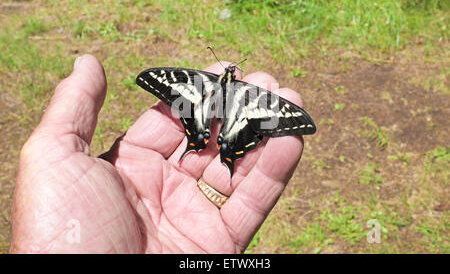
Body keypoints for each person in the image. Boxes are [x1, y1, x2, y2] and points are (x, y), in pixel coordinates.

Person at [10, 54, 305, 253]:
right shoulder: (249, 95)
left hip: (206, 115)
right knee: (229, 139)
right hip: (230, 117)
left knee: (214, 132)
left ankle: (210, 142)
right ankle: (224, 148)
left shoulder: (198, 82)